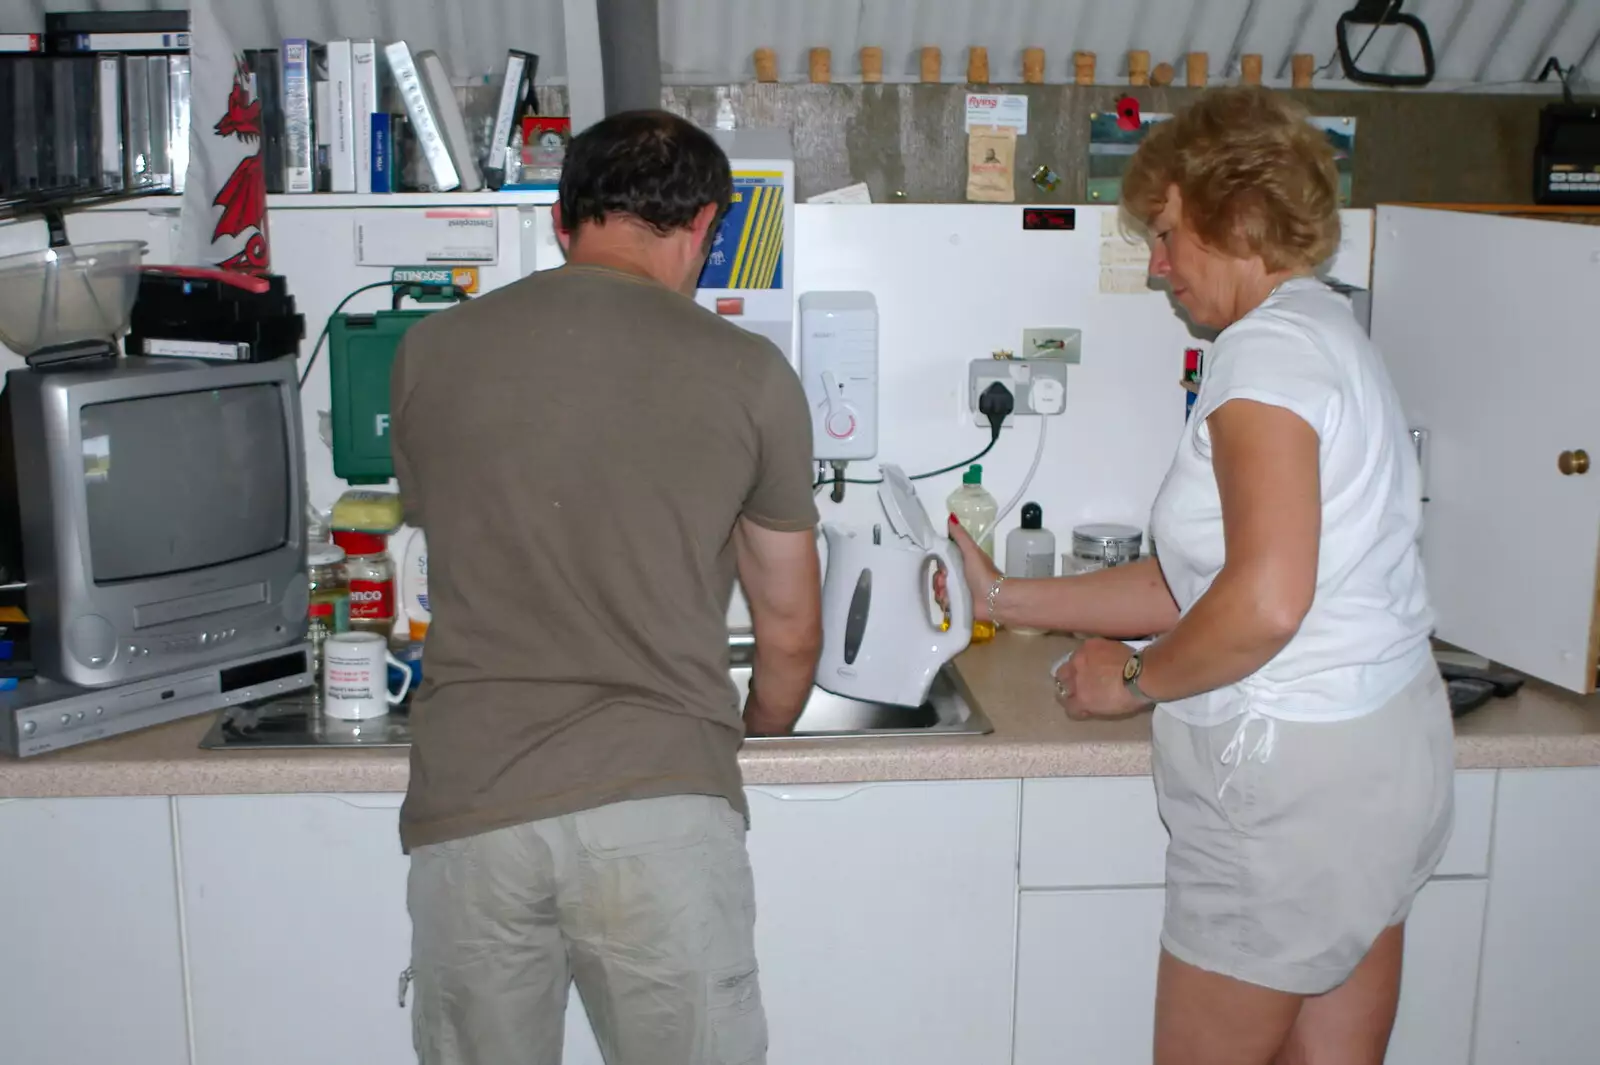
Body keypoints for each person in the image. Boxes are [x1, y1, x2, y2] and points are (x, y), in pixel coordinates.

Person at [948, 87, 1450, 1065]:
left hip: (1289, 788)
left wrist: (1132, 682)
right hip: (1378, 761)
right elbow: (1203, 581)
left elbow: (1263, 602)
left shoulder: (1261, 357)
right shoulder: (1326, 336)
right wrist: (1004, 599)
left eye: (1170, 234)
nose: (1158, 267)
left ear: (1242, 216)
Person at [389, 109, 823, 1065]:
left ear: (560, 218)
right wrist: (762, 727)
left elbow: (446, 535)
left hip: (473, 815)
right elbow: (790, 629)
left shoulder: (430, 353)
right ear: (707, 226)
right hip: (659, 808)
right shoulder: (749, 373)